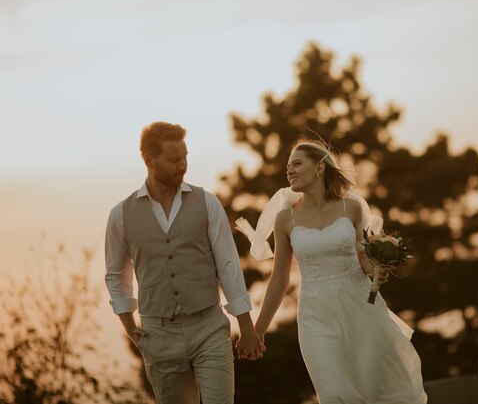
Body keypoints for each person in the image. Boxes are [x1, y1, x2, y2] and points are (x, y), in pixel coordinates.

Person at [236, 139, 428, 403]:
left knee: (373, 391)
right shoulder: (285, 219)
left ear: (319, 168)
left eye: (297, 163)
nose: (289, 170)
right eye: (288, 166)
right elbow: (279, 279)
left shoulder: (352, 207)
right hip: (315, 315)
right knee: (334, 392)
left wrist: (377, 269)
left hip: (360, 308)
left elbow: (363, 258)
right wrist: (257, 331)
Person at [104, 121, 264, 404]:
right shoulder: (120, 215)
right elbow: (116, 276)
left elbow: (228, 265)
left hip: (209, 328)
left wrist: (246, 326)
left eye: (185, 157)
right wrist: (131, 329)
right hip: (157, 334)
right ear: (149, 161)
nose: (183, 165)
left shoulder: (207, 203)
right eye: (174, 160)